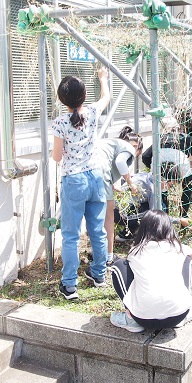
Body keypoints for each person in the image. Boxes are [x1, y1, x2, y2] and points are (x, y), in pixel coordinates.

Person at [52, 67, 110, 299]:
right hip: (95, 176)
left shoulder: (60, 122)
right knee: (97, 230)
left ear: (60, 99)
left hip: (74, 180)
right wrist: (103, 79)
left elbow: (57, 157)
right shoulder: (93, 113)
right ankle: (99, 274)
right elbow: (106, 97)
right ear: (84, 96)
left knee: (71, 235)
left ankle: (69, 285)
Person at [109, 210, 192, 333]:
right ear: (168, 227)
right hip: (179, 314)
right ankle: (185, 305)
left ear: (143, 229)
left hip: (142, 318)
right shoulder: (177, 246)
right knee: (188, 260)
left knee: (119, 265)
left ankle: (130, 319)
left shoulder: (135, 251)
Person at [95, 126, 143, 265]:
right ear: (136, 148)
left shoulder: (112, 143)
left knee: (94, 218)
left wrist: (113, 186)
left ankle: (97, 253)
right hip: (100, 174)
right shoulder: (129, 148)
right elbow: (120, 162)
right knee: (108, 218)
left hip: (85, 172)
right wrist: (131, 184)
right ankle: (108, 256)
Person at [114, 163, 189, 240]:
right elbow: (158, 215)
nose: (169, 188)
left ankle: (126, 234)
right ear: (163, 179)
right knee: (152, 213)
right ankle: (144, 237)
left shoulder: (144, 175)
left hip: (115, 208)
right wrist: (178, 220)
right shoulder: (153, 189)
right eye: (171, 185)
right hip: (120, 214)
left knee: (152, 205)